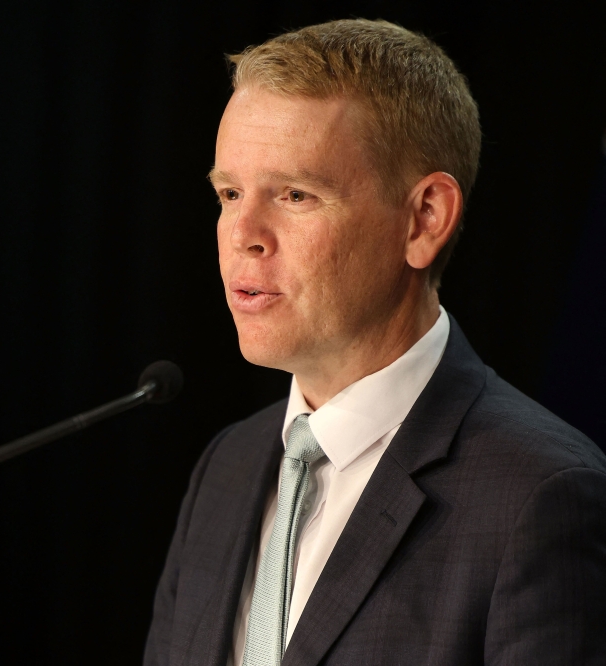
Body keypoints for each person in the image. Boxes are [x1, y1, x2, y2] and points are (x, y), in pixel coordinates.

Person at [144, 18, 606, 666]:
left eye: (295, 194)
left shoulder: (539, 495)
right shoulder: (227, 467)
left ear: (424, 219)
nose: (242, 233)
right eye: (230, 192)